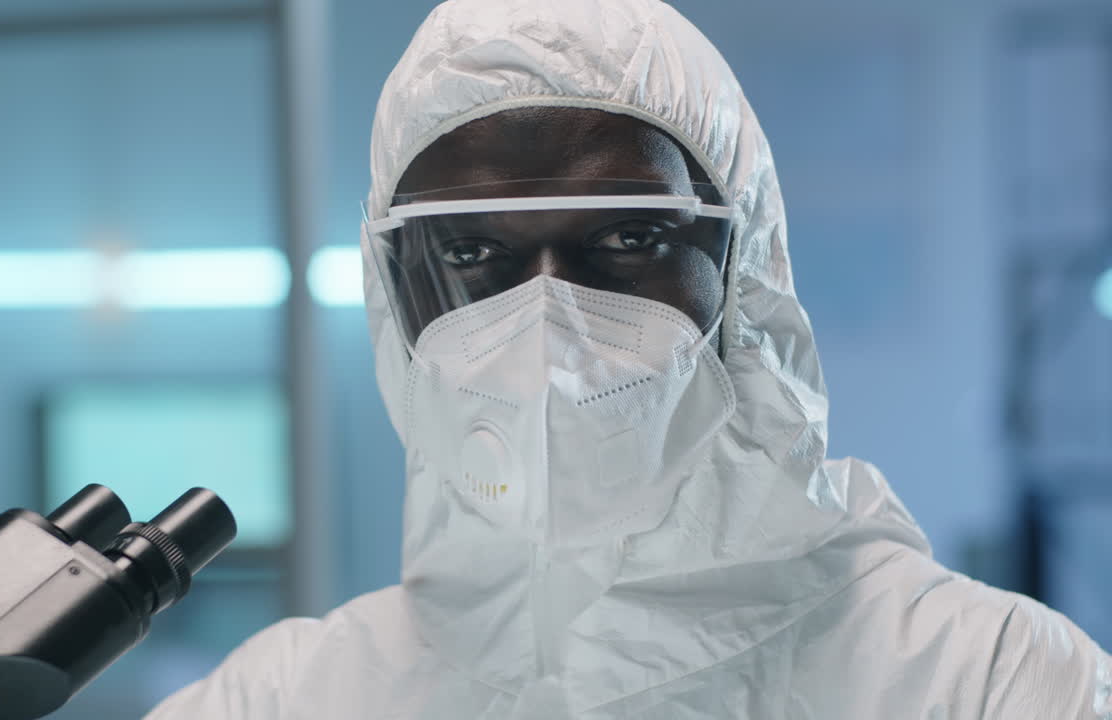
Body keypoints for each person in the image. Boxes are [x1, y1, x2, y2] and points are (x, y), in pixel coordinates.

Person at [147, 0, 1112, 717]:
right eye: (473, 253)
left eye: (629, 239)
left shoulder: (987, 682)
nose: (547, 329)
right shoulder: (286, 698)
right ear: (393, 297)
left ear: (744, 273)